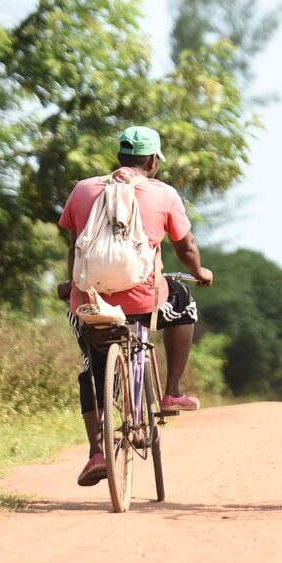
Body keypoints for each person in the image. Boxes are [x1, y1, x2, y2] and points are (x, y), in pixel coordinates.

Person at [57, 126, 213, 487]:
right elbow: (186, 248)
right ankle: (172, 389)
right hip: (144, 299)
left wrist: (71, 286)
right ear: (153, 161)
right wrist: (199, 271)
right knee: (184, 303)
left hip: (90, 303)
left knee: (94, 370)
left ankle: (97, 450)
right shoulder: (164, 194)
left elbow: (74, 245)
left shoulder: (83, 190)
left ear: (119, 157)